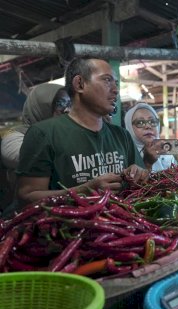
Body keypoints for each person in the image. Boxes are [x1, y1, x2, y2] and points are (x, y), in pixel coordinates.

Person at [16, 57, 148, 206]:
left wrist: (139, 173)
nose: (115, 90)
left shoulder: (122, 135)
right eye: (107, 80)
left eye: (116, 83)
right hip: (71, 227)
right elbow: (27, 197)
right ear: (80, 84)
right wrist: (83, 191)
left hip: (123, 227)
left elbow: (142, 184)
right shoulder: (43, 134)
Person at [1, 84, 71, 212]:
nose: (66, 110)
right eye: (60, 103)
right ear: (41, 106)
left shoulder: (65, 134)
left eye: (69, 104)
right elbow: (30, 157)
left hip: (63, 204)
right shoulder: (14, 135)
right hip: (27, 210)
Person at [124, 103, 178, 173]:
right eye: (140, 122)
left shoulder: (167, 152)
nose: (148, 126)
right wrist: (147, 163)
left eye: (152, 121)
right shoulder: (125, 155)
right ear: (129, 127)